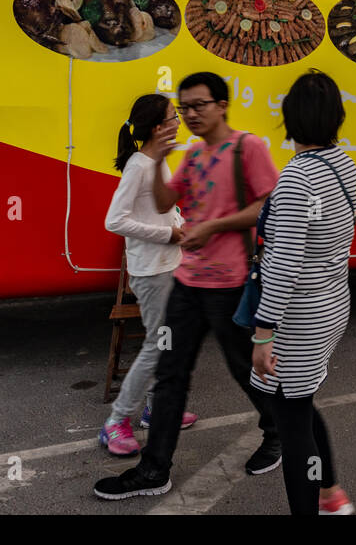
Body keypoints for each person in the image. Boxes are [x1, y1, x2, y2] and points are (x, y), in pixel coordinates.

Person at [94, 72, 281, 500]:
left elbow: (267, 205)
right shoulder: (192, 155)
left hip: (229, 282)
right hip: (185, 278)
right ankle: (154, 469)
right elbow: (164, 203)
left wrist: (213, 225)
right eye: (184, 107)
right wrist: (158, 159)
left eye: (198, 105)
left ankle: (278, 431)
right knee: (171, 373)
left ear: (221, 105)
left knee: (242, 367)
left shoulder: (247, 148)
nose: (190, 115)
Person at [250, 71, 356, 515]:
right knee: (298, 402)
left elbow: (283, 263)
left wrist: (263, 333)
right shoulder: (344, 164)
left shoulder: (298, 178)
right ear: (337, 118)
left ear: (289, 119)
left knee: (292, 428)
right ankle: (332, 495)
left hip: (301, 316)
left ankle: (314, 505)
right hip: (333, 304)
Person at [98, 95, 197, 456]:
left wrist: (184, 226)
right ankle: (116, 422)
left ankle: (156, 410)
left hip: (168, 266)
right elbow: (115, 221)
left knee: (169, 342)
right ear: (158, 127)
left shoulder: (157, 161)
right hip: (152, 273)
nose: (179, 121)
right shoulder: (139, 165)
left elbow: (164, 210)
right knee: (158, 344)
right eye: (174, 117)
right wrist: (168, 234)